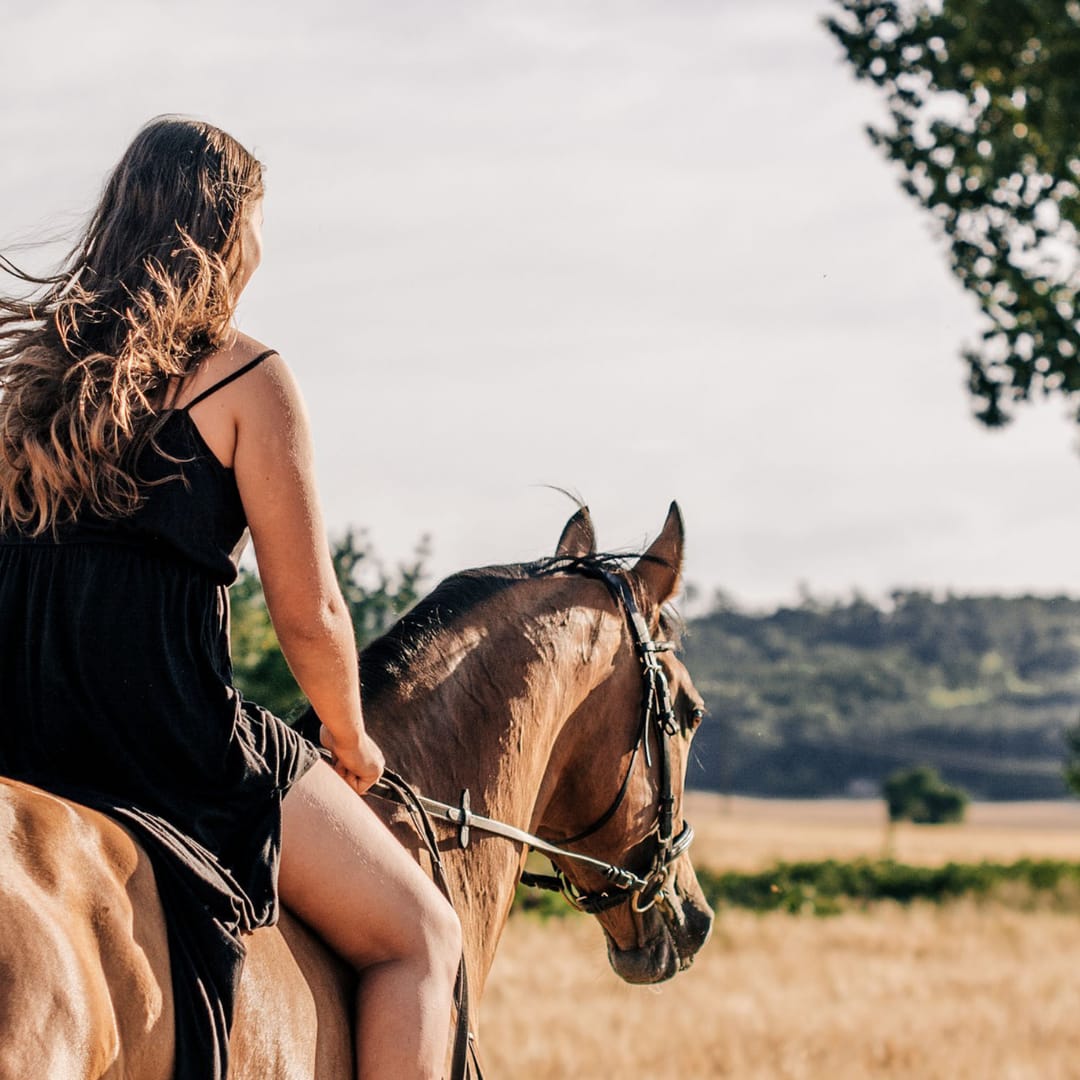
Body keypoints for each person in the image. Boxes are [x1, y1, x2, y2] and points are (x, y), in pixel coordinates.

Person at [0, 116, 461, 1079]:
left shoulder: (28, 379)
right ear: (222, 233)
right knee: (420, 936)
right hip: (168, 740)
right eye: (253, 223)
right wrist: (349, 736)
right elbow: (311, 617)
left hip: (20, 726)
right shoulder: (244, 375)